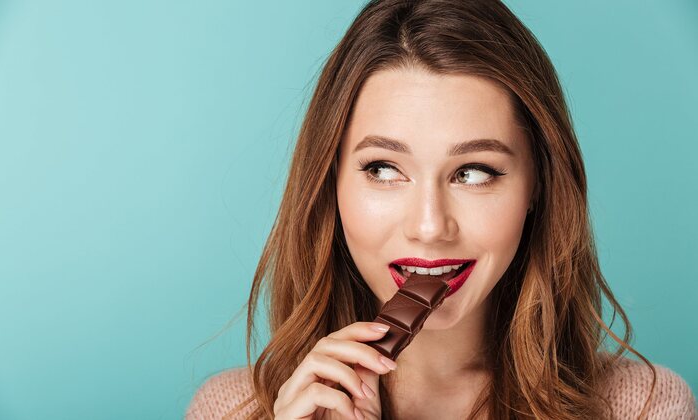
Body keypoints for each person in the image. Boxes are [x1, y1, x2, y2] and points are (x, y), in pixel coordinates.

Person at [186, 1, 696, 418]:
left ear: (537, 186)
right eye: (384, 169)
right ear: (330, 183)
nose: (429, 227)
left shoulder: (641, 406)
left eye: (473, 172)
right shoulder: (233, 410)